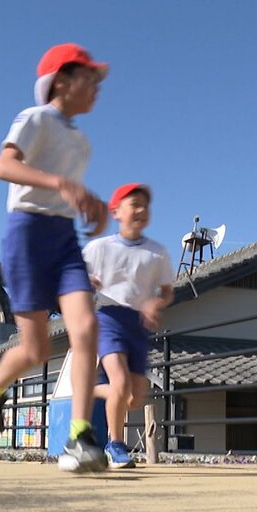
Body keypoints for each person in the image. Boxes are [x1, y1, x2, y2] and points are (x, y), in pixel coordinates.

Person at [0, 43, 110, 473]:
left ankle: (80, 437)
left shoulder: (81, 142)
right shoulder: (34, 119)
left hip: (64, 239)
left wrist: (92, 206)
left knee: (86, 328)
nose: (97, 87)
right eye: (89, 77)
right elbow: (3, 166)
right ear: (61, 82)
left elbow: (68, 197)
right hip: (26, 232)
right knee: (35, 349)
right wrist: (61, 185)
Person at [82, 183, 175, 469]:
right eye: (133, 204)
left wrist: (155, 304)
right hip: (109, 319)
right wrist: (88, 283)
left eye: (145, 205)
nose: (141, 210)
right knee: (120, 385)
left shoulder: (157, 253)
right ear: (116, 211)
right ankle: (116, 445)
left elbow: (167, 291)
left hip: (138, 326)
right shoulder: (99, 248)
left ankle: (89, 387)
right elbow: (74, 278)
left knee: (135, 397)